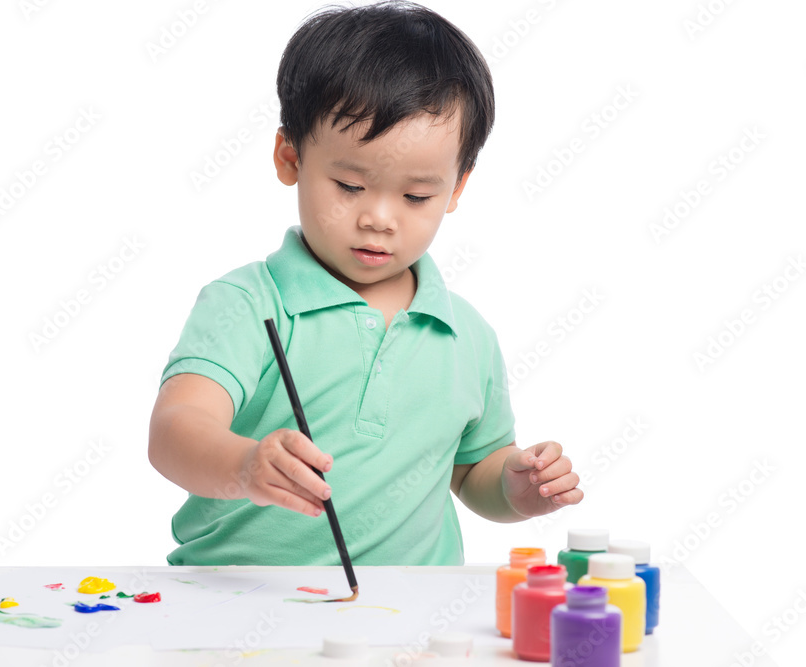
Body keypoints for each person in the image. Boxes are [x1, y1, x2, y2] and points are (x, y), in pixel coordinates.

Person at [148, 0, 582, 566]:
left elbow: (473, 468)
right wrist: (243, 466)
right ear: (290, 156)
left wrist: (513, 488)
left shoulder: (465, 333)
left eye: (416, 196)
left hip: (412, 624)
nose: (379, 217)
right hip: (239, 611)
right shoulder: (248, 304)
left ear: (456, 189)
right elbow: (176, 429)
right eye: (350, 185)